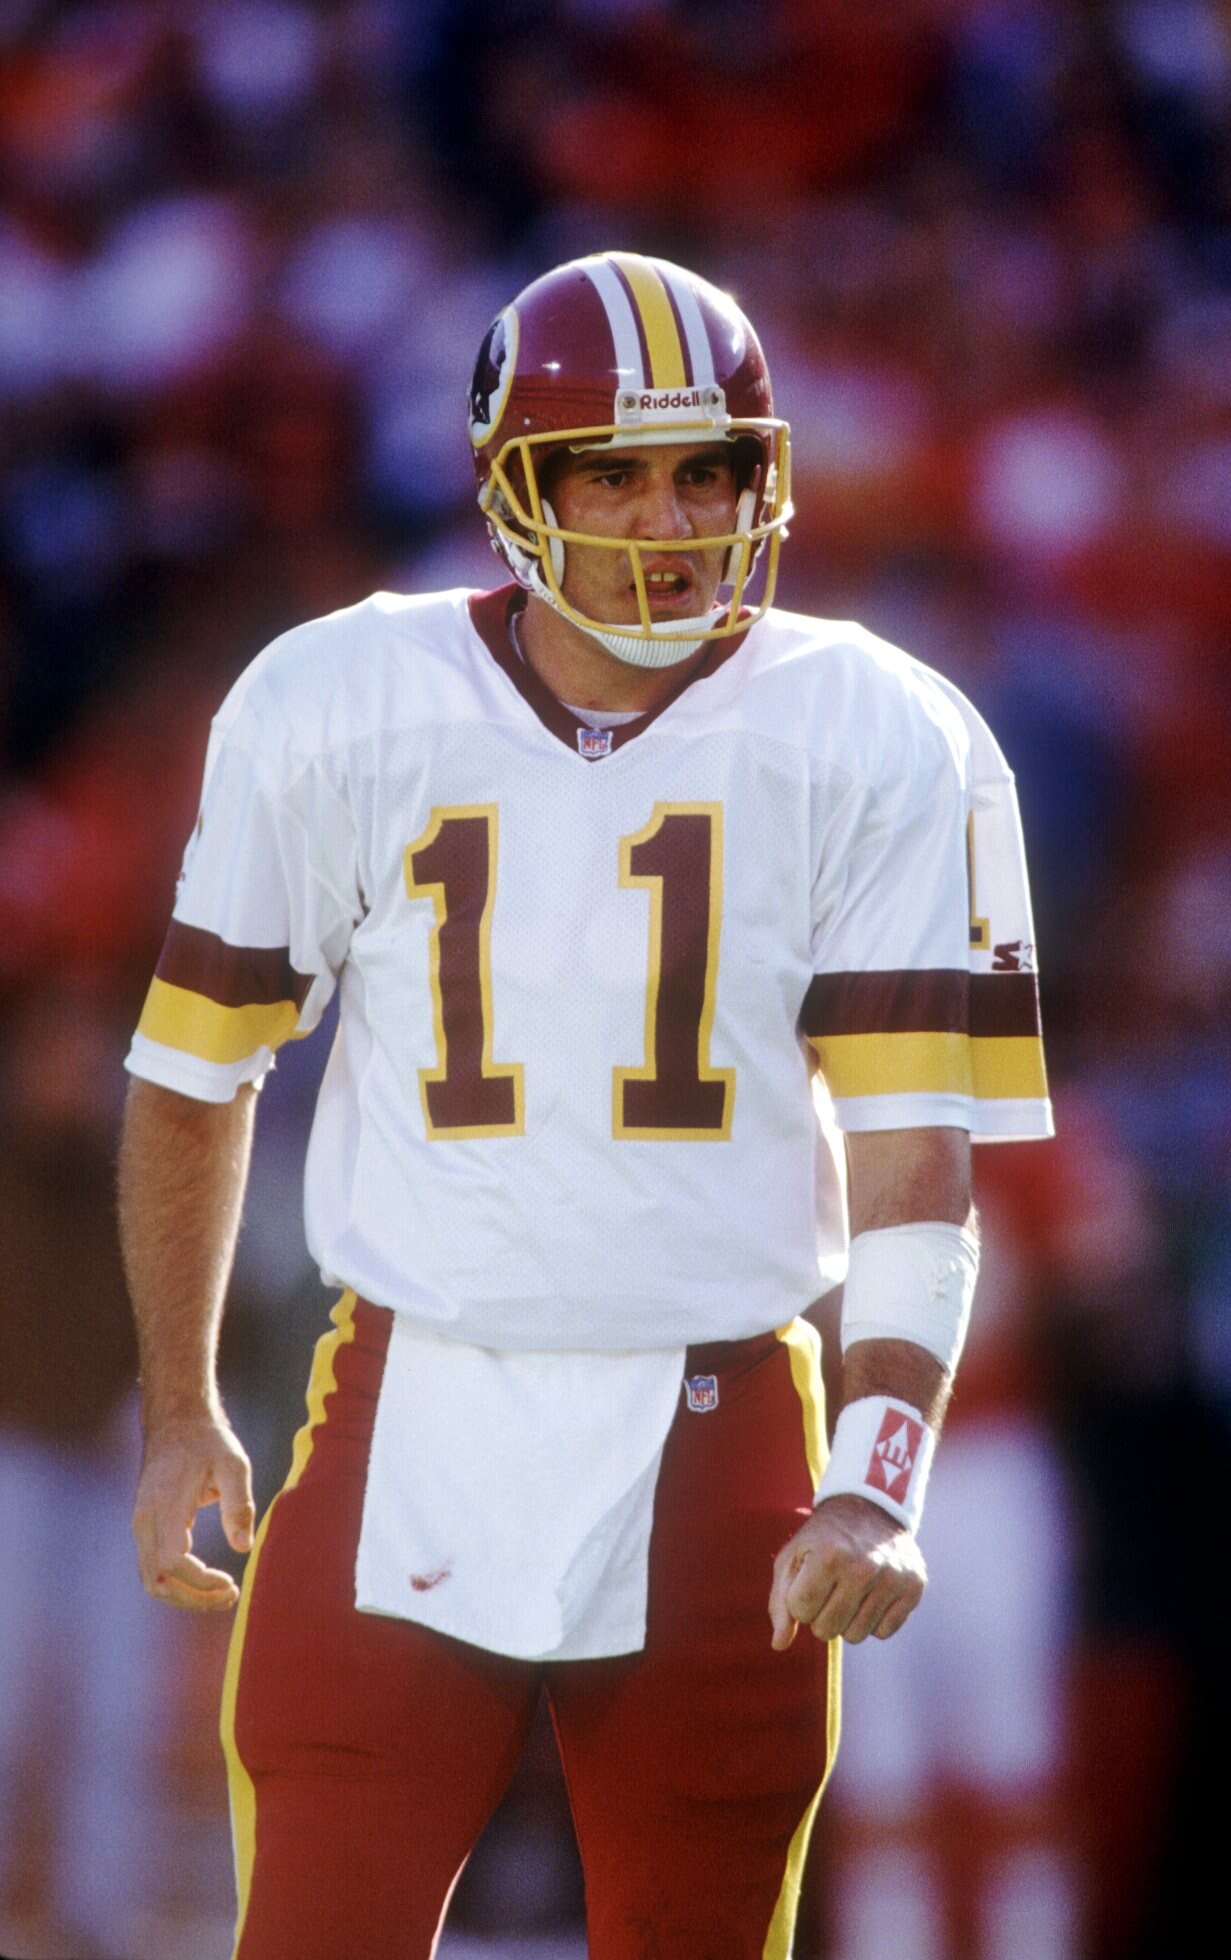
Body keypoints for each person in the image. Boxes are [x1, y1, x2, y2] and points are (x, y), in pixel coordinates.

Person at [118, 250, 1053, 1958]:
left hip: (723, 1424)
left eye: (709, 469)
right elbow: (193, 1074)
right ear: (512, 490)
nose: (668, 520)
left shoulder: (882, 732)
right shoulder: (341, 700)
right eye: (611, 472)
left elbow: (920, 1161)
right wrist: (180, 1401)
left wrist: (877, 1476)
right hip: (409, 1403)